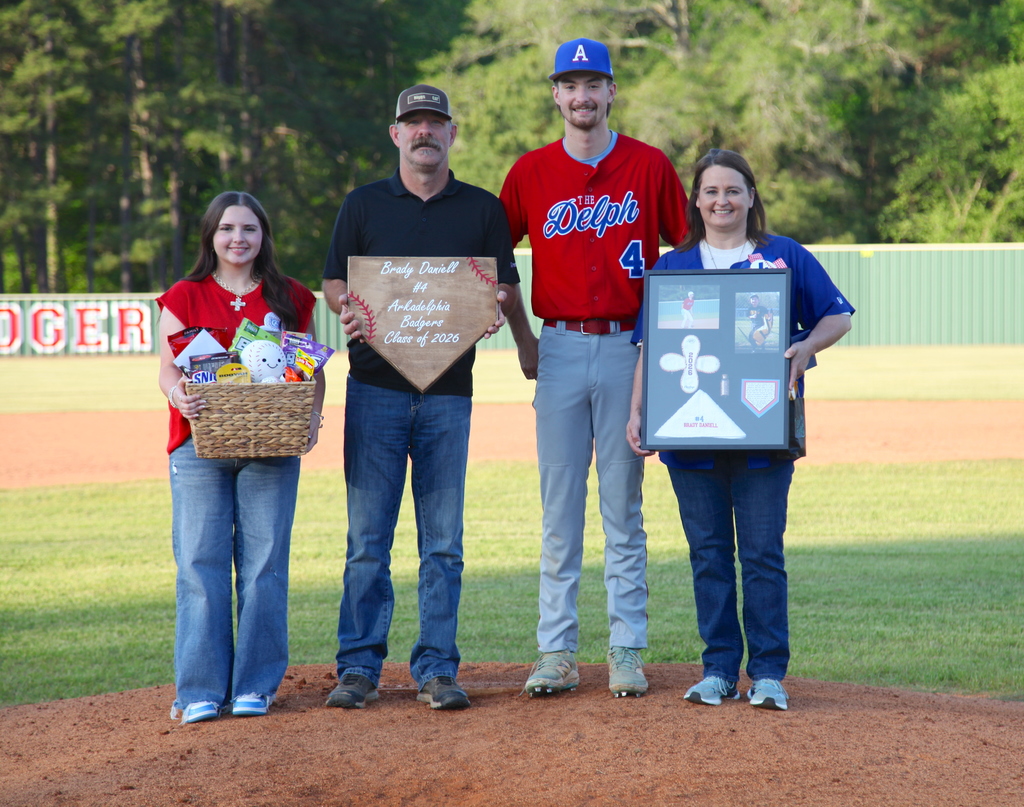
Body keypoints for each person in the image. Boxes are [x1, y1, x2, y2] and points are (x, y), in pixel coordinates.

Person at [321, 84, 529, 711]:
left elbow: (504, 287)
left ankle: (437, 669)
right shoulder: (362, 204)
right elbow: (333, 281)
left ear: (451, 133)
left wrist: (515, 333)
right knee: (367, 541)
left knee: (442, 544)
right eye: (412, 123)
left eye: (434, 123)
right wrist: (345, 308)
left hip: (447, 395)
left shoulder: (482, 209)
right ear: (395, 134)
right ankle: (358, 668)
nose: (424, 133)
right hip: (374, 391)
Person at [627, 148, 854, 710]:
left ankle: (769, 673)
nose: (722, 200)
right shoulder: (674, 266)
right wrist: (637, 413)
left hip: (762, 435)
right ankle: (720, 669)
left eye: (733, 190)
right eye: (711, 191)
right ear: (696, 201)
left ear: (751, 196)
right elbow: (649, 349)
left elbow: (839, 314)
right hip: (690, 436)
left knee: (760, 554)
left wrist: (805, 346)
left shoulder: (783, 257)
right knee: (707, 554)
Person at [500, 38, 688, 698]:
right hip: (557, 345)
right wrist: (525, 338)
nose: (581, 96)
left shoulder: (649, 165)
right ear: (555, 95)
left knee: (623, 508)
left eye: (593, 83)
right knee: (559, 510)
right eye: (569, 84)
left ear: (612, 92)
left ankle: (626, 648)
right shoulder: (529, 173)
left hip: (627, 350)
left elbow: (689, 256)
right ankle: (556, 651)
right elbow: (494, 265)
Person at [157, 191, 325, 724]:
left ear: (263, 237)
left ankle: (256, 684)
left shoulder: (290, 296)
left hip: (272, 444)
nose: (238, 238)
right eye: (228, 228)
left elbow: (311, 371)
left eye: (249, 229)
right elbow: (167, 370)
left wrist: (311, 418)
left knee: (264, 567)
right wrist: (176, 393)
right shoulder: (183, 296)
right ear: (211, 235)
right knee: (199, 566)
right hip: (198, 442)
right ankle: (200, 690)